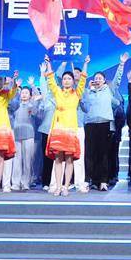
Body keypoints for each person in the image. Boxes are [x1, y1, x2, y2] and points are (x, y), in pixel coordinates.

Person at [42, 55, 89, 196]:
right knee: (58, 159)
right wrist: (49, 64)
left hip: (71, 131)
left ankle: (66, 187)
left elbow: (83, 80)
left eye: (69, 78)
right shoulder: (57, 92)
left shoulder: (77, 93)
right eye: (64, 79)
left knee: (69, 159)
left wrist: (85, 63)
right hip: (58, 130)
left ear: (73, 81)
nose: (66, 80)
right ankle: (57, 186)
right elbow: (51, 79)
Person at [81, 54, 127, 191]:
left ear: (104, 81)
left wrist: (121, 64)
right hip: (90, 124)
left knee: (103, 154)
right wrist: (88, 90)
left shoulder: (109, 90)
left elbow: (117, 79)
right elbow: (84, 107)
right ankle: (90, 180)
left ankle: (103, 181)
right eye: (96, 78)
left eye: (100, 78)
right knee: (90, 154)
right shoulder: (88, 92)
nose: (98, 80)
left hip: (104, 124)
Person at [9, 85, 40, 191]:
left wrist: (33, 88)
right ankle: (15, 183)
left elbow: (35, 112)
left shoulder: (32, 105)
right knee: (17, 160)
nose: (24, 95)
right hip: (17, 134)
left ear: (30, 95)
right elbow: (10, 101)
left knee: (28, 160)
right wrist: (14, 86)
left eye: (26, 93)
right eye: (22, 93)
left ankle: (26, 182)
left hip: (29, 134)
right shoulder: (16, 105)